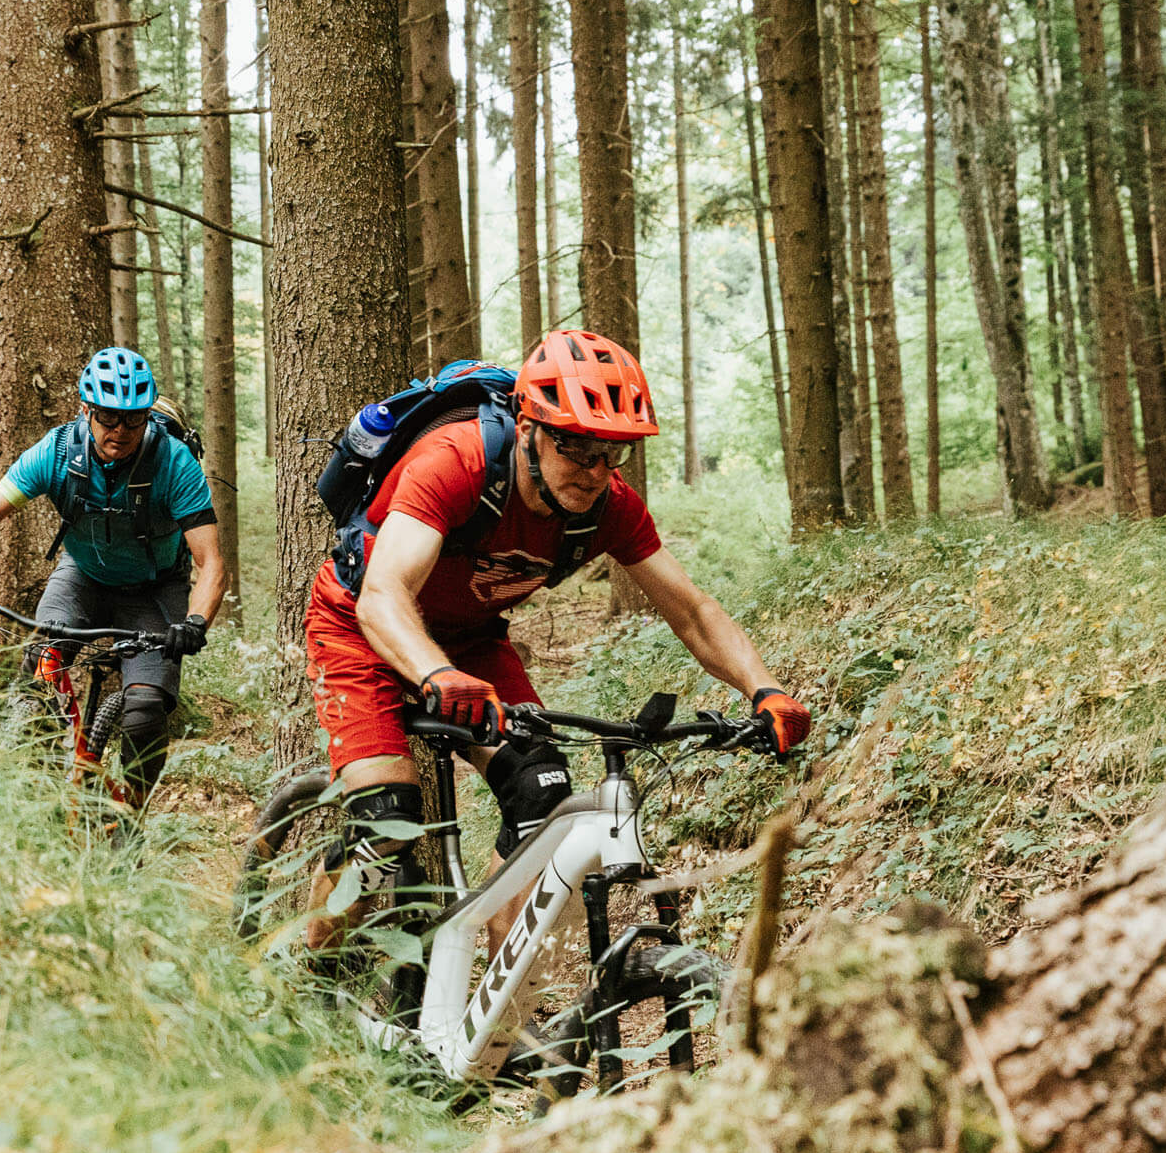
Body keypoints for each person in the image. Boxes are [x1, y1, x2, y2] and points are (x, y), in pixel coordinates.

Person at [302, 328, 809, 945]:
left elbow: (693, 612)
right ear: (529, 429)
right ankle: (308, 980)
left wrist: (766, 690)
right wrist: (435, 677)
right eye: (574, 448)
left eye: (610, 453)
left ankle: (492, 1021)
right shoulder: (456, 462)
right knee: (386, 829)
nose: (594, 472)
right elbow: (383, 596)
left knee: (542, 795)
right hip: (360, 631)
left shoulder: (610, 506)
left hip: (470, 640)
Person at [0, 347, 223, 805]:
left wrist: (195, 623)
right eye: (107, 417)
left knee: (143, 711)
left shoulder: (174, 462)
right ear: (86, 410)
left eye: (134, 419)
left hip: (155, 590)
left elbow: (212, 562)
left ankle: (131, 812)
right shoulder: (57, 452)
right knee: (40, 664)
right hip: (82, 576)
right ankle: (31, 789)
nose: (120, 431)